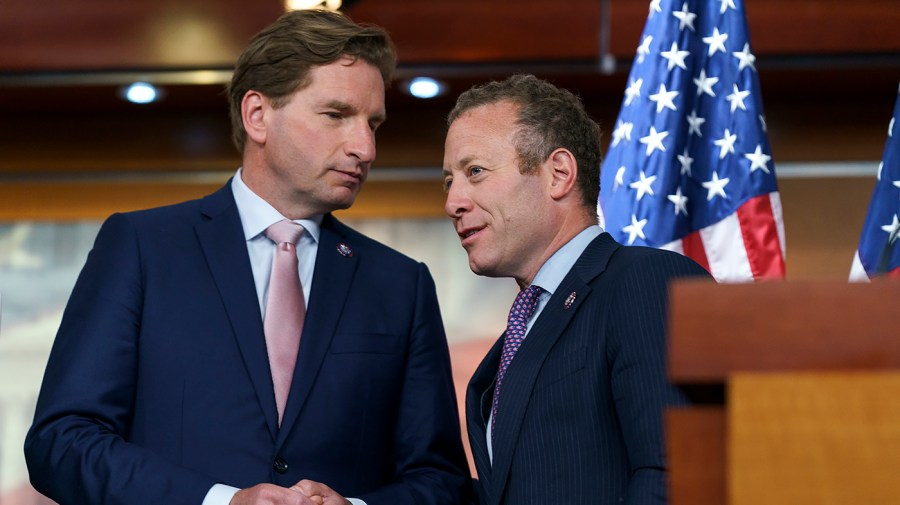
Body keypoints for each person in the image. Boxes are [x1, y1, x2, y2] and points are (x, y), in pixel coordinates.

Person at [24, 9, 469, 505]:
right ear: (258, 115)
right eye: (336, 115)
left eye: (374, 124)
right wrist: (220, 501)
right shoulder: (141, 247)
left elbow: (440, 478)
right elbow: (62, 442)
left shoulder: (400, 284)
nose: (364, 147)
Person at [442, 74, 713, 505]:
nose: (453, 201)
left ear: (559, 174)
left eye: (475, 172)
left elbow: (678, 475)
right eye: (449, 181)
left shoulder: (646, 283)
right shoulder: (523, 329)